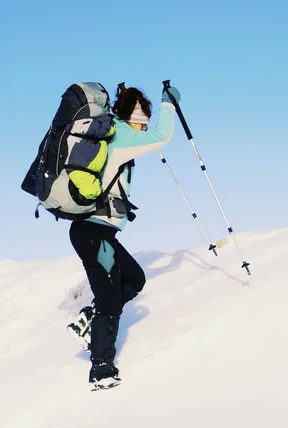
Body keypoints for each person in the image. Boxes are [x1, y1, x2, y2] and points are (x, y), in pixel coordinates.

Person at [68, 83, 181, 389]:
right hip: (93, 232)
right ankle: (102, 368)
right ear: (133, 116)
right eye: (143, 121)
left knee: (134, 279)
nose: (144, 129)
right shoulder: (120, 135)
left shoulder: (115, 135)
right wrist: (168, 105)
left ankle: (89, 319)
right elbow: (163, 136)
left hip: (98, 232)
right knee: (109, 301)